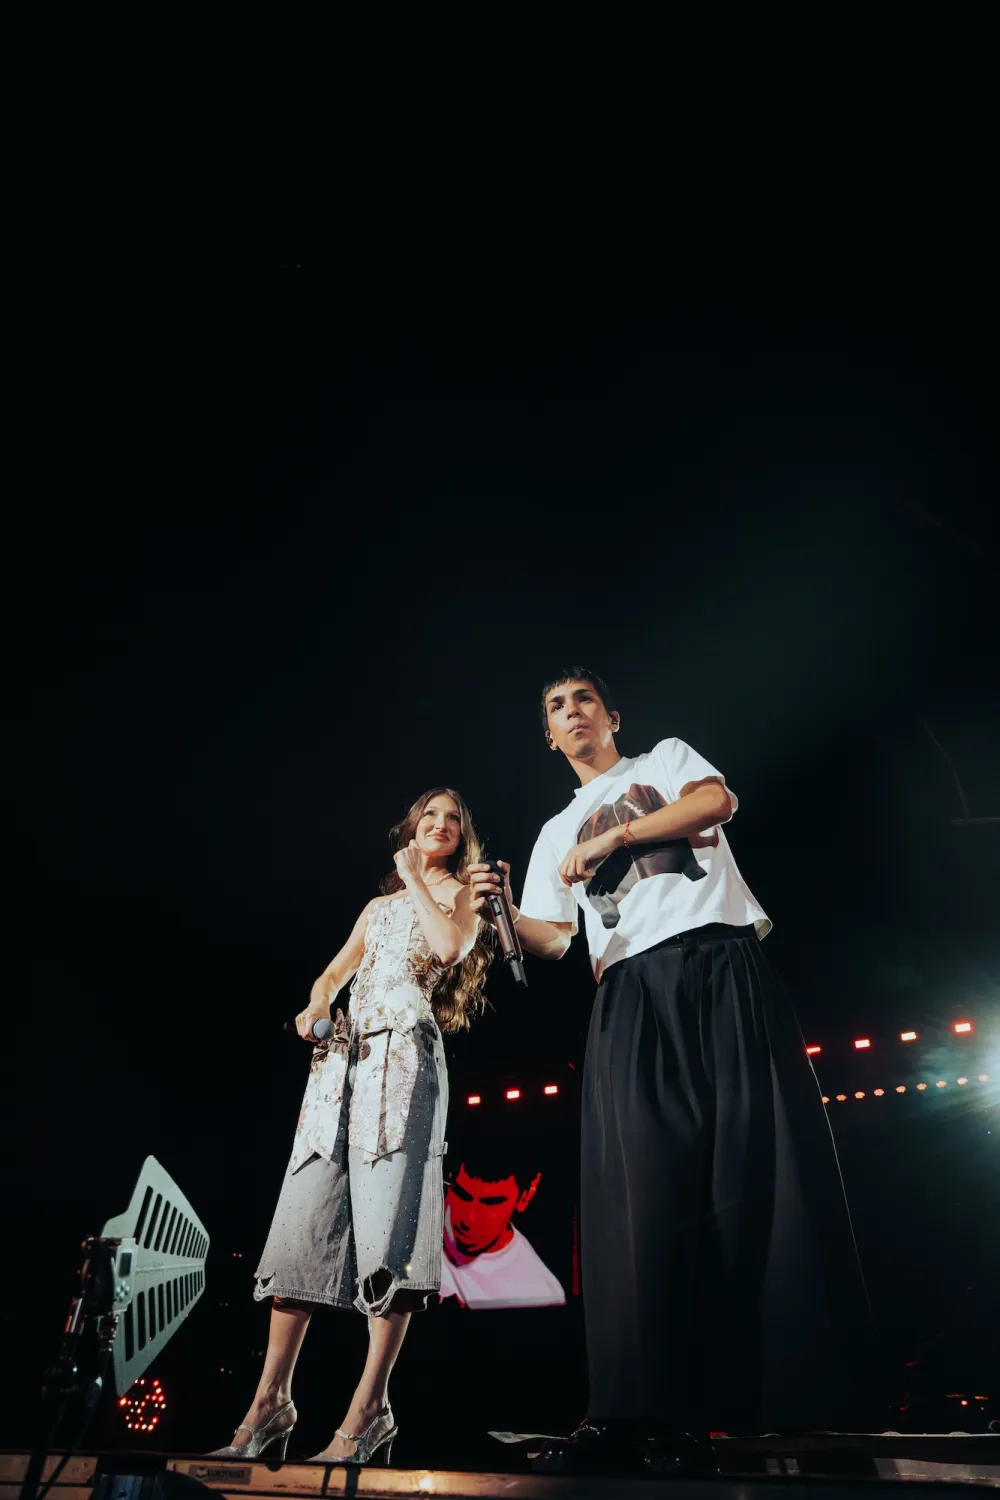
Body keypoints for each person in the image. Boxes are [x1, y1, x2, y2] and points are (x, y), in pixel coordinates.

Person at [469, 669, 875, 1475]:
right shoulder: (556, 830)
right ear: (548, 737)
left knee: (760, 1171)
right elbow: (553, 939)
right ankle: (636, 1412)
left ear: (612, 716)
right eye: (556, 708)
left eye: (584, 699)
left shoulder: (664, 759)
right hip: (629, 989)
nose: (572, 712)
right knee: (640, 1192)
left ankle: (792, 1400)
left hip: (721, 963)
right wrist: (503, 911)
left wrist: (615, 836)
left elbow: (715, 805)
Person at [212, 788, 492, 1467]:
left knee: (388, 1233)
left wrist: (415, 877)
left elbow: (451, 949)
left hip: (405, 1061)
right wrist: (315, 1010)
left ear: (462, 837)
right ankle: (268, 1404)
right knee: (301, 1224)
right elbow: (331, 975)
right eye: (430, 814)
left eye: (453, 818)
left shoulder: (464, 896)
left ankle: (370, 1409)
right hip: (341, 1063)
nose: (440, 824)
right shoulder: (377, 908)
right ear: (411, 825)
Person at [440, 1139, 566, 1310]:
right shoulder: (416, 1223)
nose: (469, 1220)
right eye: (463, 1195)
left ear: (525, 1197)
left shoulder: (540, 1292)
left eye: (491, 1203)